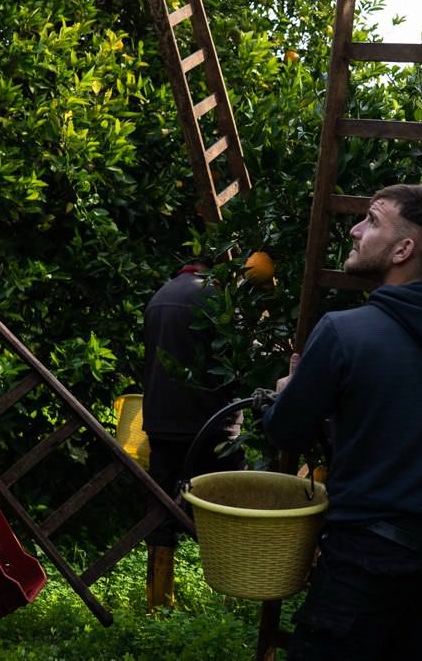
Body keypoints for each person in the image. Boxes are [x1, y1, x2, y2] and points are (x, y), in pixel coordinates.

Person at [263, 183, 422, 661]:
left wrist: (286, 393)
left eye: (371, 220)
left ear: (402, 250)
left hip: (364, 561)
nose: (354, 230)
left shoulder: (343, 332)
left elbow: (285, 432)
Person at [140, 257, 244, 608]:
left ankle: (158, 599)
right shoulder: (217, 298)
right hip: (212, 423)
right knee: (227, 508)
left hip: (162, 423)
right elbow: (236, 360)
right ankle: (231, 594)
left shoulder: (159, 297)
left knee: (161, 508)